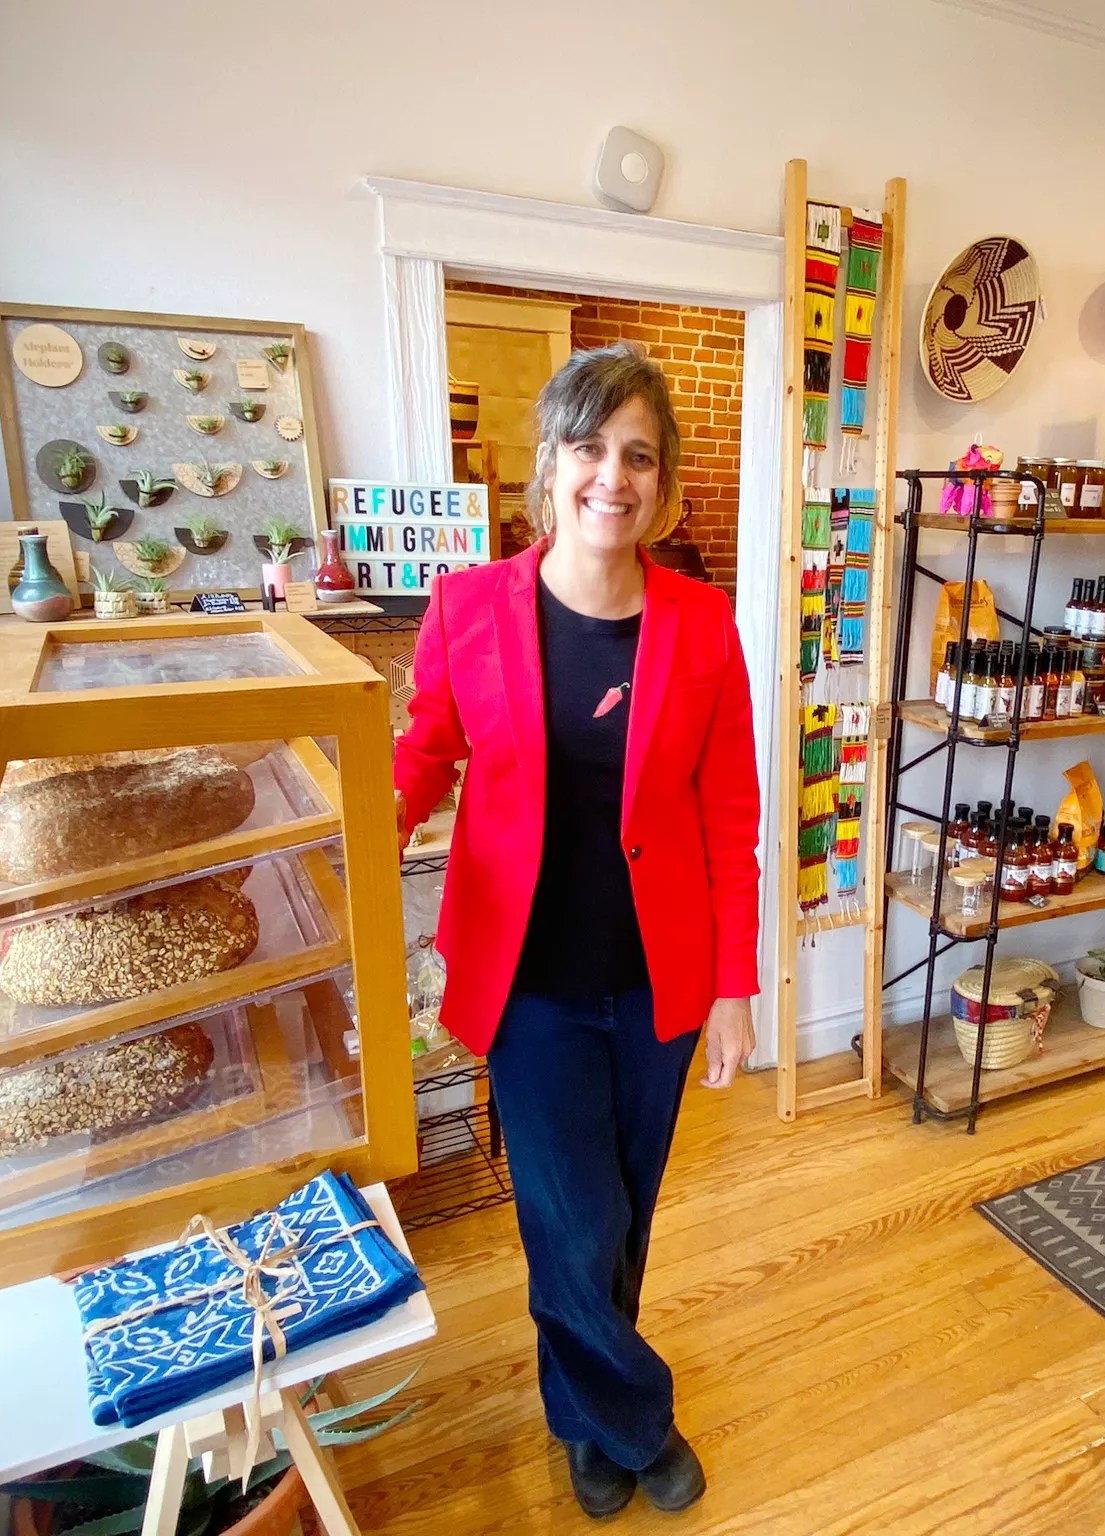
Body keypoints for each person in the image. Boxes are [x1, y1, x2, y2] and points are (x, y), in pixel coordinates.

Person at [394, 343, 761, 1518]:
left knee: (622, 1216)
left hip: (656, 980)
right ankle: (637, 1422)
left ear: (663, 484)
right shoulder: (465, 609)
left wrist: (737, 985)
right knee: (572, 1213)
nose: (614, 474)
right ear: (550, 464)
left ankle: (585, 1421)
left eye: (638, 455)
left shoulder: (702, 626)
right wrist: (338, 836)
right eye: (591, 447)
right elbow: (423, 757)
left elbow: (730, 810)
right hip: (529, 984)